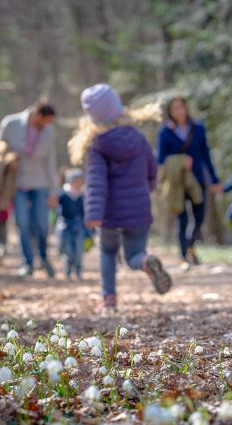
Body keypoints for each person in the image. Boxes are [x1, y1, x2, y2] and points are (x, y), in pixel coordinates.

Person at [69, 83, 172, 311]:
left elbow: (96, 181)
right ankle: (145, 262)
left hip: (110, 214)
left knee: (107, 252)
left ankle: (108, 298)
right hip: (138, 209)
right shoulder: (138, 138)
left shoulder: (97, 145)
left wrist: (93, 213)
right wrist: (149, 187)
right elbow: (152, 168)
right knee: (134, 254)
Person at [0, 102, 58, 278]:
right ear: (37, 116)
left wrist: (53, 191)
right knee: (22, 224)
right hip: (17, 183)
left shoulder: (48, 132)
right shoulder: (11, 123)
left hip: (40, 182)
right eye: (45, 121)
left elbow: (51, 163)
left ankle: (44, 259)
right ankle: (28, 262)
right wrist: (8, 159)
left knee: (42, 225)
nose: (46, 125)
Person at [157, 97, 222, 270]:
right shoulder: (166, 132)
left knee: (199, 217)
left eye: (181, 107)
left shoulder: (198, 128)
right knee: (182, 218)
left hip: (197, 178)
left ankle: (191, 246)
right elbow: (161, 158)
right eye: (174, 109)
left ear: (186, 108)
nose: (178, 111)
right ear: (170, 112)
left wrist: (214, 179)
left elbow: (206, 155)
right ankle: (183, 255)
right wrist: (180, 161)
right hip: (176, 182)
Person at [57, 169, 87, 280]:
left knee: (79, 249)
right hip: (65, 225)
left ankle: (78, 270)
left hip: (79, 226)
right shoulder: (63, 194)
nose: (78, 184)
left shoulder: (83, 196)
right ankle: (68, 268)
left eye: (80, 181)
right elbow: (55, 208)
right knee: (68, 249)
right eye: (75, 181)